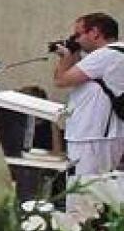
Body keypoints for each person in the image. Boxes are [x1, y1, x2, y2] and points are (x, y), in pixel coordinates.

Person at [53, 13, 124, 177]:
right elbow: (83, 79)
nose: (76, 41)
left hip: (93, 135)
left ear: (95, 32)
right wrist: (74, 55)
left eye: (78, 35)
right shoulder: (115, 54)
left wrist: (66, 56)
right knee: (92, 191)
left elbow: (61, 80)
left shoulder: (107, 54)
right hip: (96, 135)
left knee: (85, 192)